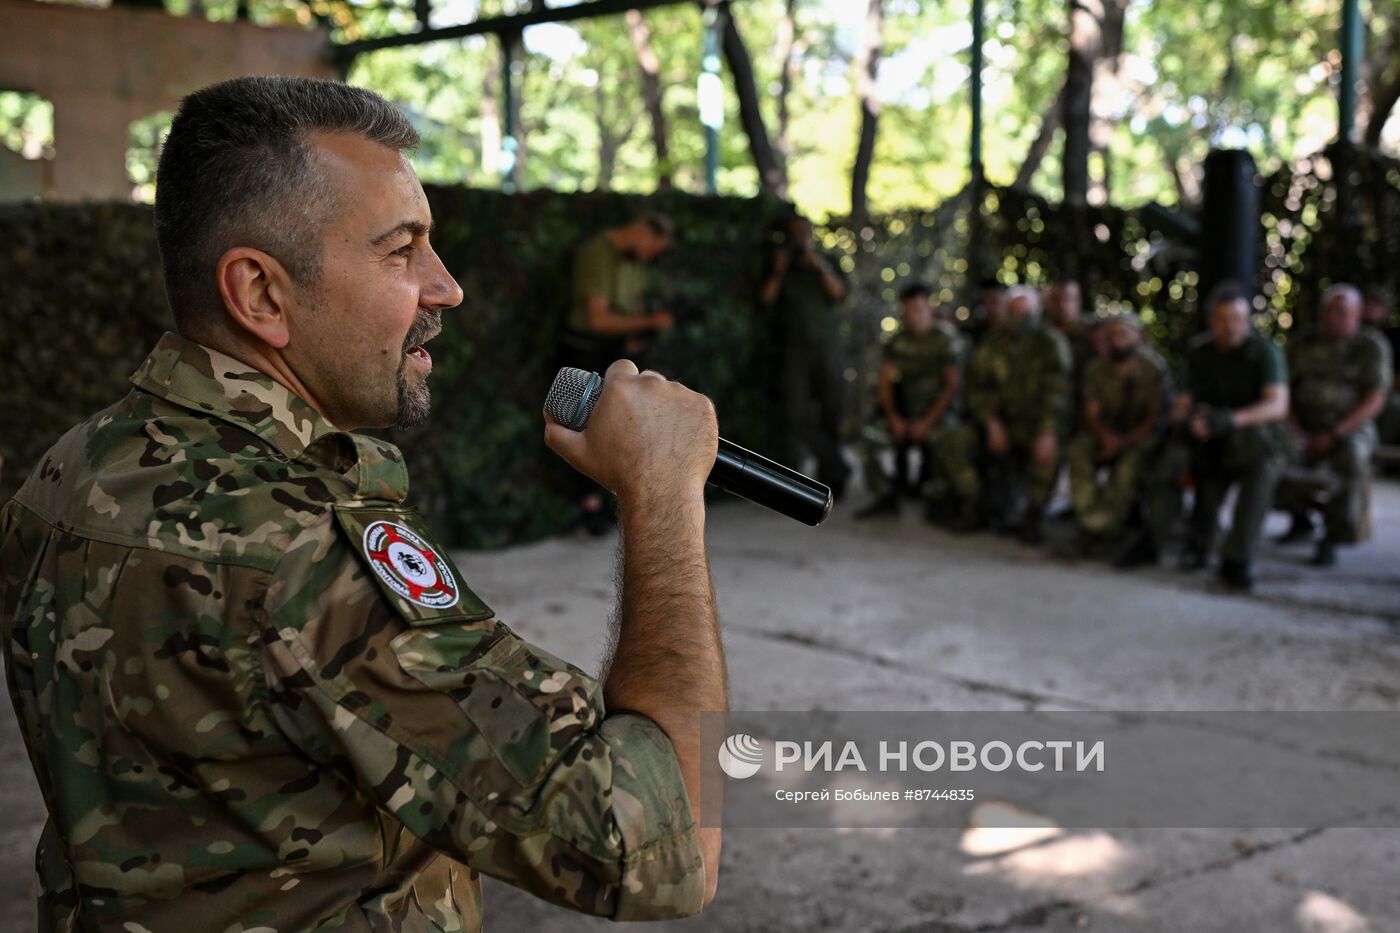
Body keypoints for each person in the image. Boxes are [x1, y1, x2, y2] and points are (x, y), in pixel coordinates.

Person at [0, 77, 723, 931]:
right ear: (261, 293)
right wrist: (664, 495)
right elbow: (660, 845)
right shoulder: (304, 550)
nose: (446, 288)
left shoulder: (74, 467)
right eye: (401, 251)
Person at [1161, 281, 1289, 590]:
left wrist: (1230, 419)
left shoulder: (1263, 352)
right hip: (1213, 439)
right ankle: (1189, 540)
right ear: (1211, 320)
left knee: (1260, 469)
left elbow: (1277, 405)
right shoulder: (1200, 353)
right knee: (1185, 458)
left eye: (1238, 319)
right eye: (1223, 319)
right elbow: (1183, 402)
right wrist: (1192, 419)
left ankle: (1237, 558)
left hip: (1258, 442)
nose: (1231, 327)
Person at [564, 213, 676, 533]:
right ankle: (589, 504)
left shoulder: (632, 262)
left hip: (615, 350)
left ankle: (609, 502)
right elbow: (598, 320)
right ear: (641, 232)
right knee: (583, 425)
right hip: (584, 350)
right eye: (652, 248)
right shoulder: (597, 253)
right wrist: (652, 322)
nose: (651, 257)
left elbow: (631, 308)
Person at [1275, 284, 1390, 566]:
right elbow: (1283, 392)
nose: (1333, 318)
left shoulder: (1370, 346)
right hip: (1302, 426)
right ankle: (1299, 517)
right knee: (1269, 450)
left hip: (1350, 427)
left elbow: (1375, 399)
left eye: (1342, 313)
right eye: (1328, 312)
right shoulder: (1302, 344)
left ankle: (1334, 534)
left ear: (1357, 315)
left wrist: (1336, 433)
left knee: (1352, 458)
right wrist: (1296, 430)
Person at [856, 283, 980, 529]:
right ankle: (886, 496)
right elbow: (885, 383)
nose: (915, 315)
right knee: (868, 439)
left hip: (940, 417)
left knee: (950, 441)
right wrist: (893, 418)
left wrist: (926, 422)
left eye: (920, 309)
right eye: (909, 310)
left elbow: (952, 386)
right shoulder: (898, 342)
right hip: (905, 416)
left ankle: (957, 502)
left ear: (929, 308)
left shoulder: (946, 340)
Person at [965, 286, 1072, 543]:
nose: (1021, 318)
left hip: (1039, 424)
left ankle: (1034, 515)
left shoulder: (1051, 343)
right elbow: (976, 386)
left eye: (1027, 312)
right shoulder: (993, 342)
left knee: (1050, 452)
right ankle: (976, 505)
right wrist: (990, 422)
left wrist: (1047, 431)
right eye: (1015, 311)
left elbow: (1058, 394)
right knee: (962, 440)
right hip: (1004, 423)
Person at [758, 211, 851, 497]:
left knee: (832, 411)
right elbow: (765, 300)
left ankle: (831, 475)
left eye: (805, 232)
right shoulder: (781, 264)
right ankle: (836, 466)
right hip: (793, 349)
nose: (800, 238)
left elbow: (839, 293)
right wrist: (779, 270)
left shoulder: (828, 259)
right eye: (795, 232)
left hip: (827, 346)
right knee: (796, 414)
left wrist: (819, 265)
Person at [1065, 313, 1170, 558]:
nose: (1117, 340)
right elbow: (1091, 412)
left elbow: (1155, 418)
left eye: (1123, 334)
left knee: (1128, 469)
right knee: (1079, 451)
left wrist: (1123, 443)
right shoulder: (1096, 368)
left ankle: (1105, 529)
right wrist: (1106, 438)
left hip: (1139, 437)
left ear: (1137, 336)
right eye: (1112, 335)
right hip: (1106, 434)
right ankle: (1090, 523)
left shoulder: (1153, 368)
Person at [1362, 286, 1400, 445]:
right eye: (1368, 303)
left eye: (1377, 305)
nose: (1371, 309)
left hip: (1384, 392)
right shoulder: (1351, 333)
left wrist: (1377, 393)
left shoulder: (1395, 337)